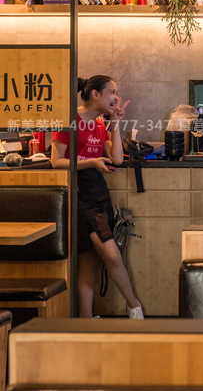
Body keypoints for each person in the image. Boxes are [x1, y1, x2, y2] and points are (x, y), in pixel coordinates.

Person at [51, 76, 143, 319]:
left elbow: (117, 159)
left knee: (89, 259)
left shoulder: (101, 124)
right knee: (110, 254)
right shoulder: (69, 120)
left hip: (98, 194)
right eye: (112, 92)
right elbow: (56, 161)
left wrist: (115, 124)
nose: (116, 97)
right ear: (95, 94)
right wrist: (91, 162)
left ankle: (86, 319)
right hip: (78, 194)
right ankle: (135, 308)